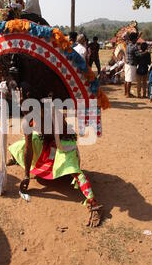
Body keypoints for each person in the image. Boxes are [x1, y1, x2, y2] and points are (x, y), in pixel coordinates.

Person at [8, 85, 103, 228]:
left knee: (72, 169)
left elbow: (59, 143)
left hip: (64, 144)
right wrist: (26, 176)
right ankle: (18, 160)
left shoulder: (52, 114)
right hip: (48, 144)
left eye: (25, 101)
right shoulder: (28, 119)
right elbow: (28, 147)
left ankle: (93, 203)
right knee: (23, 145)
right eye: (21, 102)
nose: (22, 105)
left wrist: (57, 153)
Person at [125, 32, 140, 98]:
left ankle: (126, 92)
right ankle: (128, 94)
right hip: (132, 64)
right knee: (129, 80)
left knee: (126, 79)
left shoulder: (127, 44)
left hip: (127, 63)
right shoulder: (135, 46)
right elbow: (138, 55)